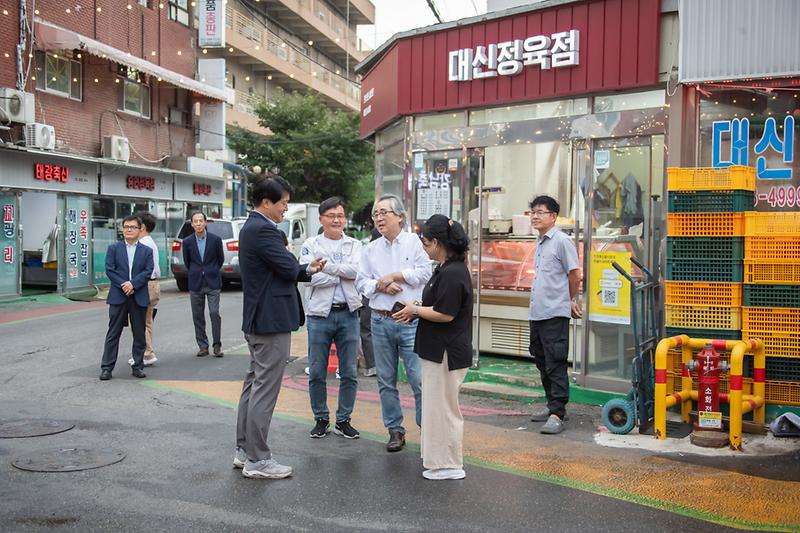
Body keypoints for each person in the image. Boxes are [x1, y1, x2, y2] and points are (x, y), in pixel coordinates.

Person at [234, 176, 326, 480]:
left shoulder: (252, 228)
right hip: (270, 321)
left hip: (260, 319)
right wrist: (304, 268)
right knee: (264, 389)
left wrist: (306, 269)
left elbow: (285, 268)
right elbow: (287, 267)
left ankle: (244, 451)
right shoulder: (263, 230)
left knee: (254, 386)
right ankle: (258, 460)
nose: (286, 208)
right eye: (283, 202)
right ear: (266, 202)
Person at [394, 215, 473, 481]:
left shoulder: (452, 272)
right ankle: (439, 462)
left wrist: (415, 310)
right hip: (439, 350)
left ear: (438, 243)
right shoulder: (446, 268)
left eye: (426, 243)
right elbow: (438, 307)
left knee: (444, 410)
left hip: (446, 351)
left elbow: (445, 313)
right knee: (436, 408)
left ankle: (449, 464)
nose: (424, 248)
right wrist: (416, 310)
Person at [355, 194, 431, 452]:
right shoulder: (370, 249)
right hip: (380, 319)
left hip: (410, 320)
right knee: (386, 380)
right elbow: (361, 282)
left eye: (384, 212)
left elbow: (426, 272)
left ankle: (427, 429)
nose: (379, 218)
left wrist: (397, 275)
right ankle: (395, 430)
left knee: (418, 379)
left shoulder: (415, 243)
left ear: (400, 216)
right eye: (375, 214)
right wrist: (380, 285)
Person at [300, 197, 363, 440]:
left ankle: (344, 420)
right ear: (321, 219)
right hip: (319, 315)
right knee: (317, 370)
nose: (336, 220)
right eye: (331, 216)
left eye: (340, 215)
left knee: (349, 371)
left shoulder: (355, 245)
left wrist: (326, 268)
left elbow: (357, 271)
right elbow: (308, 277)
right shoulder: (310, 244)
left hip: (349, 313)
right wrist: (340, 273)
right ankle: (321, 418)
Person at [527, 195, 581, 434]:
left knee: (555, 362)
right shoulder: (540, 242)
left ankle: (557, 413)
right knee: (541, 361)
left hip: (554, 313)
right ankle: (551, 405)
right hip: (537, 313)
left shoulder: (562, 241)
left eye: (540, 212)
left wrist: (567, 300)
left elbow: (575, 275)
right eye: (533, 212)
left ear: (553, 216)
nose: (535, 216)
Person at [99, 215, 154, 381]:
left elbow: (148, 271)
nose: (129, 230)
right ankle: (107, 368)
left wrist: (133, 284)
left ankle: (138, 366)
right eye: (126, 227)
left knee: (139, 333)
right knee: (113, 333)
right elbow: (110, 269)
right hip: (119, 295)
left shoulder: (147, 251)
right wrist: (124, 284)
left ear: (140, 229)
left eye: (133, 227)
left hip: (138, 296)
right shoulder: (114, 249)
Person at [182, 211, 225, 357]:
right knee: (197, 315)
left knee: (214, 312)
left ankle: (217, 345)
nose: (199, 224)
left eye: (201, 221)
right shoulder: (187, 242)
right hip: (195, 282)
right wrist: (196, 272)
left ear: (206, 223)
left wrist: (211, 270)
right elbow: (187, 262)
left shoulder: (215, 240)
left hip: (213, 281)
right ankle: (203, 346)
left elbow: (220, 259)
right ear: (192, 224)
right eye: (196, 221)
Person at [136, 212, 160, 366]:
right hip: (152, 284)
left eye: (135, 225)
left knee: (138, 321)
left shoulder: (143, 244)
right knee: (147, 320)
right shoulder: (150, 242)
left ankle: (147, 353)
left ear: (142, 227)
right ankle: (145, 353)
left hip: (145, 285)